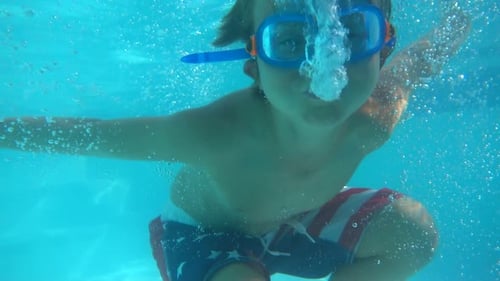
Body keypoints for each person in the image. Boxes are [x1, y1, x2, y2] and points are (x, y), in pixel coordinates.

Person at [0, 0, 470, 280]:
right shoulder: (218, 133)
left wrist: (456, 23)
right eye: (289, 41)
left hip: (296, 220)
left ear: (382, 47)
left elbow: (418, 64)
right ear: (254, 68)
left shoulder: (376, 117)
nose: (327, 62)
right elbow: (92, 138)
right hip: (204, 234)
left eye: (353, 33)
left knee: (414, 233)